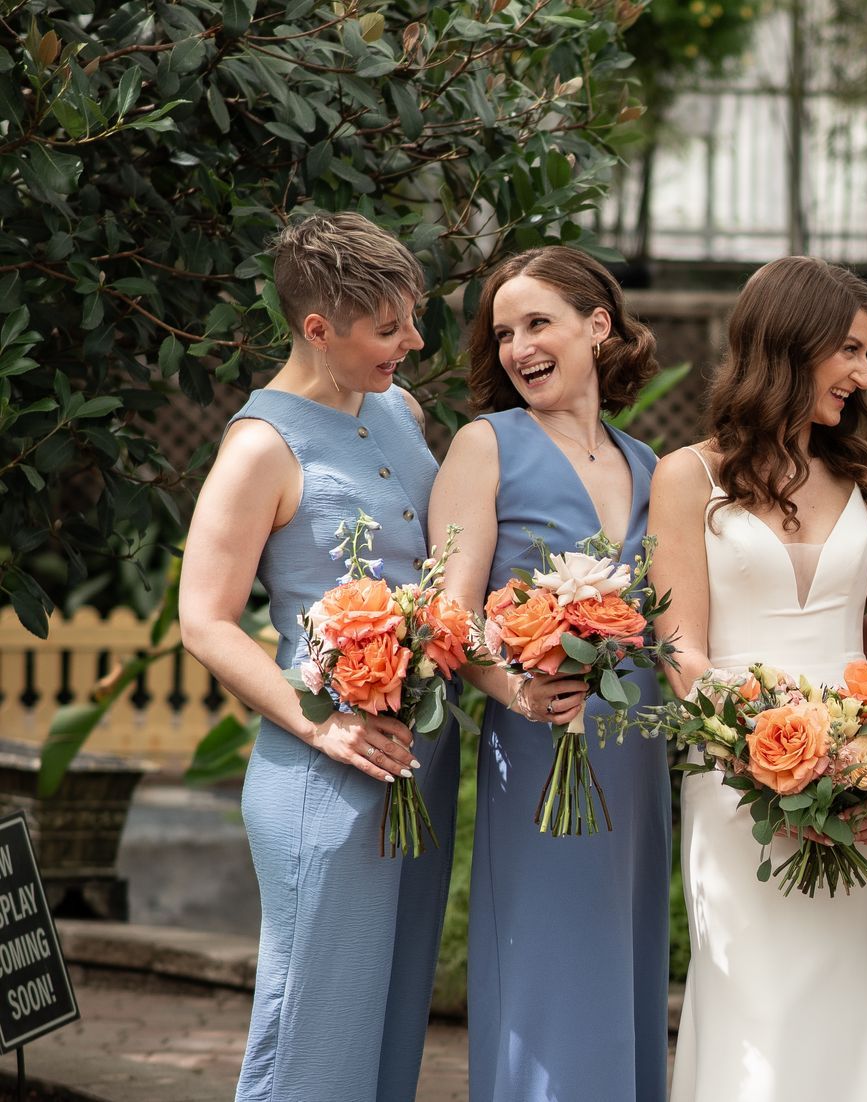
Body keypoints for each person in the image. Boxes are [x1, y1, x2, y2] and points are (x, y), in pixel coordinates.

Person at [178, 211, 453, 1101]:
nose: (412, 341)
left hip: (416, 761)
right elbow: (206, 621)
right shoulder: (262, 446)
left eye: (411, 318)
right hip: (323, 770)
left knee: (391, 1018)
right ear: (317, 329)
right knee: (313, 1029)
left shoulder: (402, 411)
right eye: (388, 327)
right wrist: (322, 723)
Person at [649, 256, 867, 1102]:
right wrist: (751, 740)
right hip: (734, 779)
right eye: (847, 349)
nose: (862, 374)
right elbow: (679, 647)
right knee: (750, 992)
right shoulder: (688, 477)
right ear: (790, 343)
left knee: (855, 985)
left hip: (864, 777)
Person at [429, 245, 670, 1101]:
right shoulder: (484, 446)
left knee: (624, 966)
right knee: (547, 970)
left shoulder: (652, 468)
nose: (518, 347)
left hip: (634, 761)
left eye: (538, 323)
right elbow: (450, 614)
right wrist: (517, 688)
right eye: (503, 333)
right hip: (539, 751)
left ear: (597, 327)